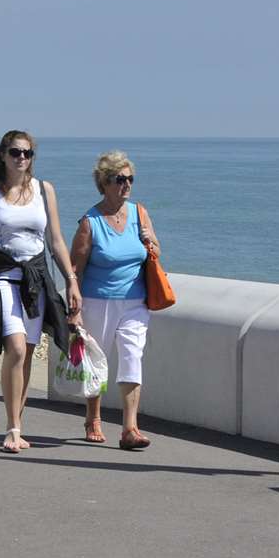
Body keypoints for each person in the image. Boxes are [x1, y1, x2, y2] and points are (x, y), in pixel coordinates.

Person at [0, 130, 81, 453]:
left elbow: (55, 241)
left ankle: (17, 425)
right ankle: (12, 428)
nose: (22, 158)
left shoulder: (44, 190)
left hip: (36, 278)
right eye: (15, 152)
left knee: (28, 355)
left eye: (27, 153)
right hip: (1, 276)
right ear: (3, 155)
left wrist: (71, 280)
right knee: (17, 348)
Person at [69, 151, 159, 450]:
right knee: (98, 361)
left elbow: (156, 250)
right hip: (97, 300)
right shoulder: (89, 223)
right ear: (104, 183)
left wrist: (151, 242)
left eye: (130, 179)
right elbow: (74, 270)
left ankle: (130, 428)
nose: (127, 185)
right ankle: (93, 417)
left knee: (133, 356)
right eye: (120, 180)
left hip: (136, 301)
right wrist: (75, 309)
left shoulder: (140, 213)